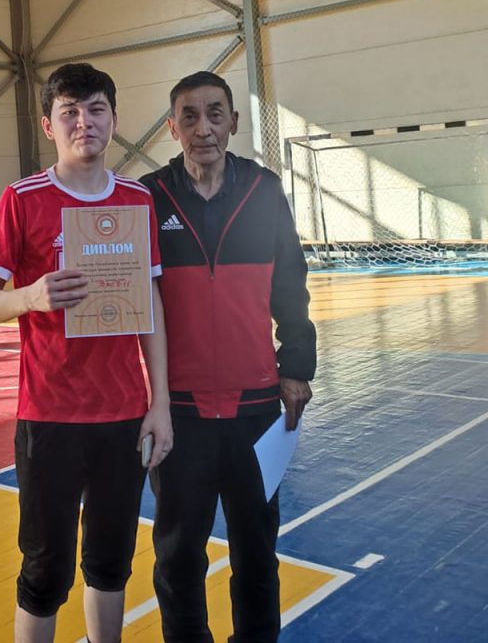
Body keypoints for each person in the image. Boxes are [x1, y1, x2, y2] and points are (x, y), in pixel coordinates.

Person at [0, 63, 172, 643]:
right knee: (45, 570)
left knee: (111, 562)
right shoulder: (22, 199)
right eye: (70, 113)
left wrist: (159, 404)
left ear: (114, 118)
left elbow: (150, 305)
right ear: (48, 125)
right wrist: (29, 296)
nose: (85, 122)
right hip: (49, 417)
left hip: (123, 415)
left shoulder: (136, 199)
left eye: (96, 109)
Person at [139, 71, 316, 643]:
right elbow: (129, 294)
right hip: (179, 413)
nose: (203, 129)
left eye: (215, 114)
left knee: (257, 553)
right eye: (188, 117)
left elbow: (290, 281)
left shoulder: (264, 189)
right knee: (177, 557)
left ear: (234, 122)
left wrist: (296, 366)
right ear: (172, 128)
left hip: (256, 409)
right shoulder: (147, 198)